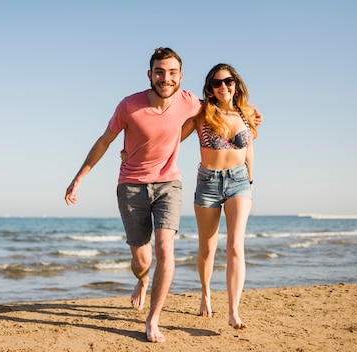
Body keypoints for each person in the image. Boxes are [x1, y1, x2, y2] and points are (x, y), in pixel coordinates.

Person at [64, 47, 202, 343]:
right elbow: (104, 140)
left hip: (169, 183)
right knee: (142, 260)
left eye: (172, 73)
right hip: (131, 186)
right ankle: (141, 280)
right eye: (160, 72)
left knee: (166, 248)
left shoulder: (189, 101)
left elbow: (218, 109)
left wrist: (250, 114)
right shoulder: (129, 105)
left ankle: (153, 319)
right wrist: (79, 179)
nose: (166, 78)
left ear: (180, 76)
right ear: (150, 74)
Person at [189, 63, 259, 329]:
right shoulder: (202, 113)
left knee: (234, 246)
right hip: (207, 181)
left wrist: (250, 179)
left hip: (239, 182)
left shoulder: (248, 113)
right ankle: (205, 294)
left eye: (228, 81)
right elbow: (172, 135)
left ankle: (233, 311)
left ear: (236, 83)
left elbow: (249, 149)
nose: (223, 87)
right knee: (207, 248)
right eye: (216, 83)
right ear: (210, 88)